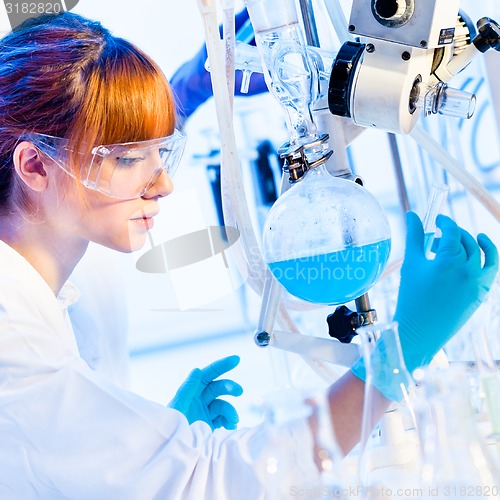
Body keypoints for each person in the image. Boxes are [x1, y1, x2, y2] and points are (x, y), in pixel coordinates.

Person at [0, 11, 497, 499]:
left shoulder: (44, 280)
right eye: (131, 158)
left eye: (164, 153)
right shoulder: (11, 333)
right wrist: (403, 351)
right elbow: (218, 480)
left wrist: (138, 455)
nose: (166, 185)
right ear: (35, 166)